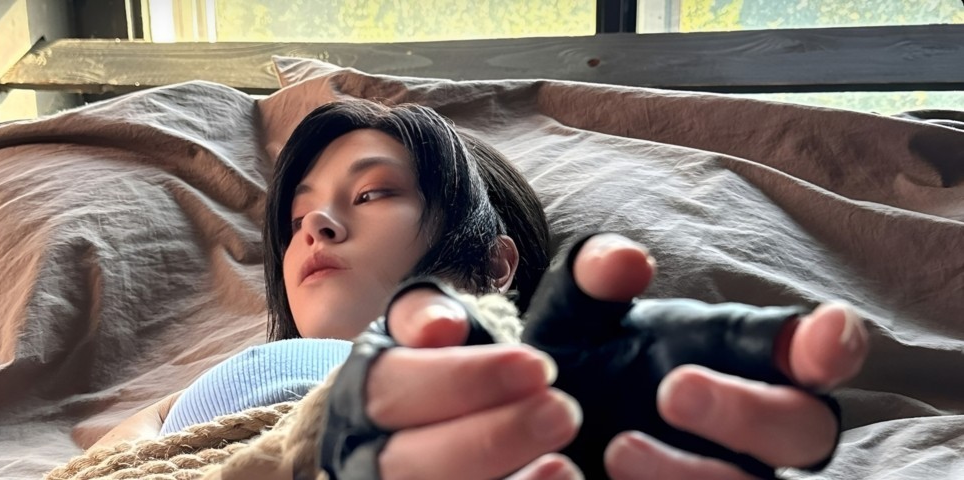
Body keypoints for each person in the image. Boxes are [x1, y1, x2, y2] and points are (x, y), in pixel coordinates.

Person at [95, 99, 868, 480]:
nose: (316, 225)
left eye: (371, 194)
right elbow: (114, 455)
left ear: (494, 267)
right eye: (297, 218)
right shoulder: (216, 384)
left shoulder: (507, 386)